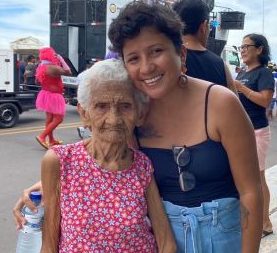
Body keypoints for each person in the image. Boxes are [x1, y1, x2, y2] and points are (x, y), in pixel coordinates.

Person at [14, 2, 263, 253]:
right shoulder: (133, 111)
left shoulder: (220, 104)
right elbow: (109, 160)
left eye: (156, 51)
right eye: (134, 58)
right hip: (165, 241)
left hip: (223, 239)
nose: (146, 67)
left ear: (182, 54)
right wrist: (47, 184)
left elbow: (251, 191)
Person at [40, 59, 176, 252]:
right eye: (101, 106)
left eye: (125, 106)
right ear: (84, 113)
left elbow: (165, 242)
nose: (113, 119)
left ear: (140, 115)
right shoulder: (60, 161)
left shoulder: (141, 165)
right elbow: (49, 244)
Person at [234, 33, 274, 238]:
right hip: (242, 132)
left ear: (259, 49)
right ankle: (250, 220)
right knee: (243, 179)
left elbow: (265, 101)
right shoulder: (241, 72)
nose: (242, 50)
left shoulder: (263, 73)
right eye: (241, 47)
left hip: (258, 131)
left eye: (246, 46)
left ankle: (265, 222)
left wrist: (241, 88)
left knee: (258, 178)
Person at [172, 0, 236, 93]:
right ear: (204, 26)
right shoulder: (221, 65)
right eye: (209, 26)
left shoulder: (166, 59)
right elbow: (234, 104)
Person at [35, 47, 71, 149]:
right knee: (59, 119)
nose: (55, 55)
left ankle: (51, 140)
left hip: (45, 94)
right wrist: (61, 59)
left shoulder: (40, 67)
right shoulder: (52, 67)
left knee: (49, 118)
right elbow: (68, 72)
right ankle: (42, 136)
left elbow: (37, 81)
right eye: (53, 54)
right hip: (55, 96)